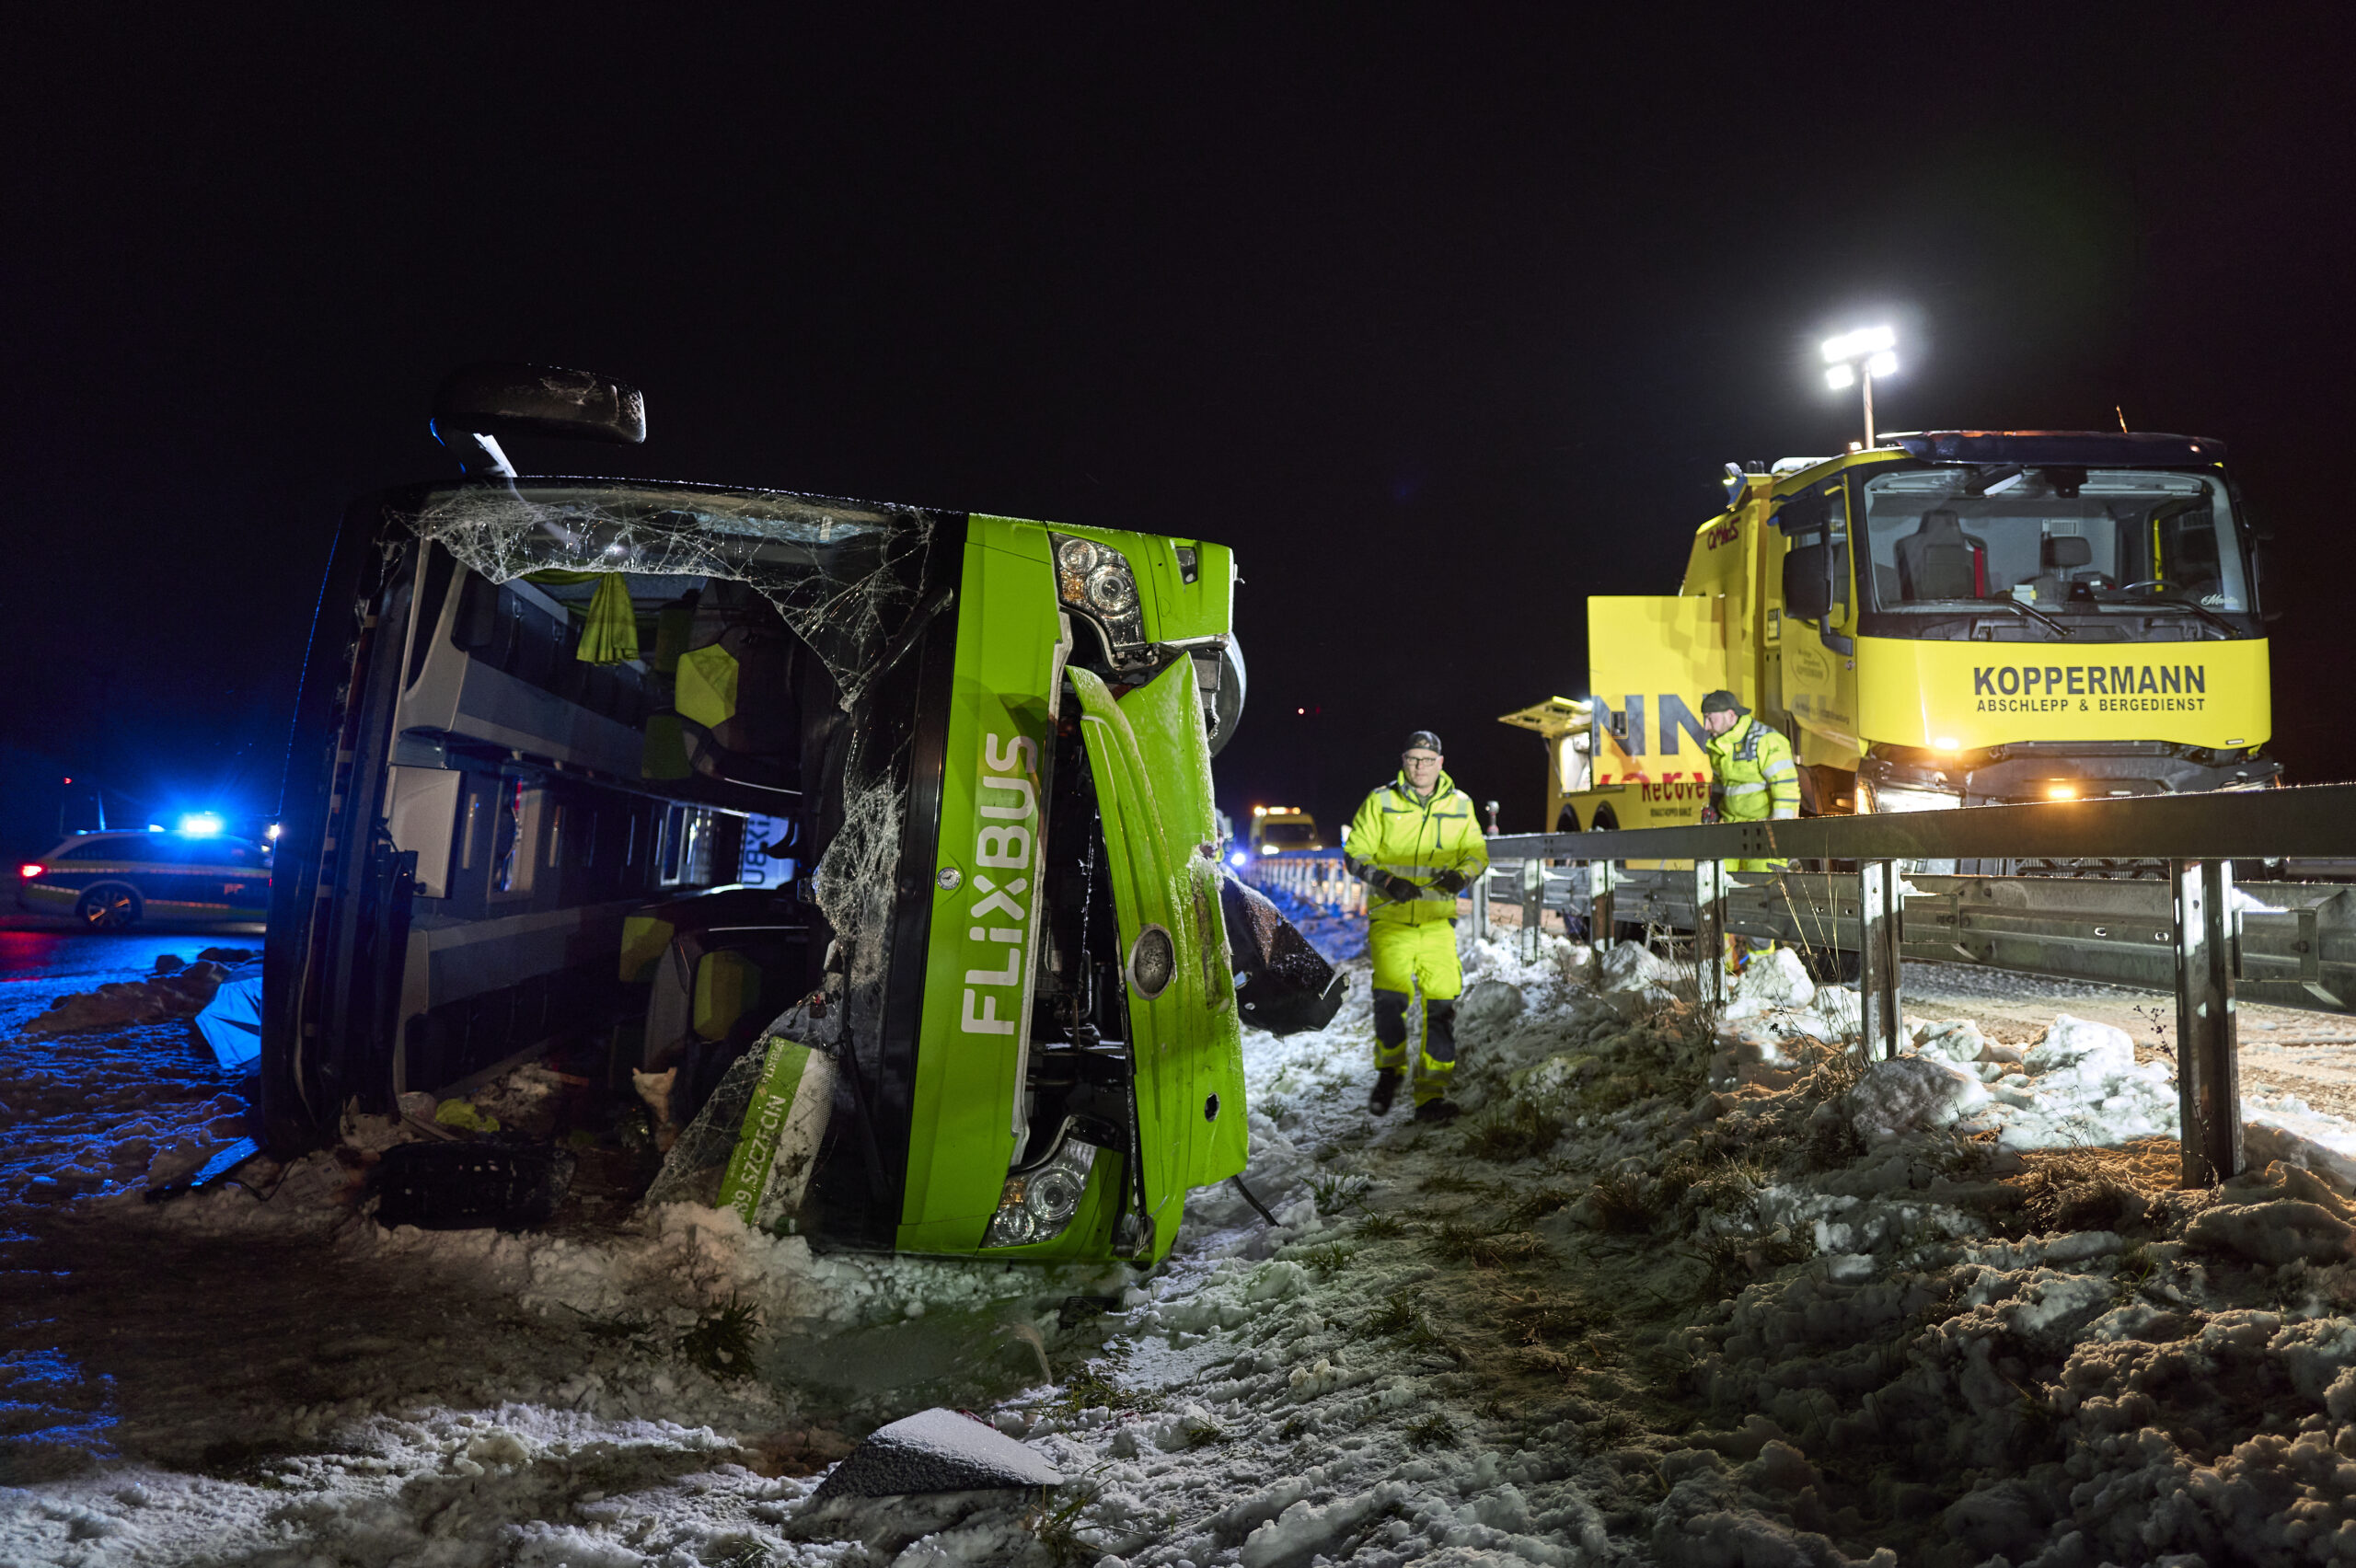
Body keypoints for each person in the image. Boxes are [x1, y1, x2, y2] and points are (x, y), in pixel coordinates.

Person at [1343, 730, 1490, 1122]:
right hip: (1389, 919)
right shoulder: (1381, 801)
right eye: (1412, 759)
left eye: (1427, 760)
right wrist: (1387, 881)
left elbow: (1477, 853)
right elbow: (1354, 853)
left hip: (1437, 921)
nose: (1419, 766)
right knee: (1390, 1000)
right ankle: (1391, 1072)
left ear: (1440, 763)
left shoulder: (1461, 805)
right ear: (1403, 761)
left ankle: (1431, 1096)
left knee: (1442, 1005)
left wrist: (1462, 877)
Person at [1699, 689, 1799, 872]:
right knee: (1720, 887)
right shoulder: (1719, 745)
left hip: (1764, 834)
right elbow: (1720, 784)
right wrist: (1713, 808)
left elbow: (1787, 789)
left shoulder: (1765, 740)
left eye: (1710, 718)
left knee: (1762, 893)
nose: (1706, 726)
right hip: (1731, 832)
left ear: (1730, 715)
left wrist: (1780, 832)